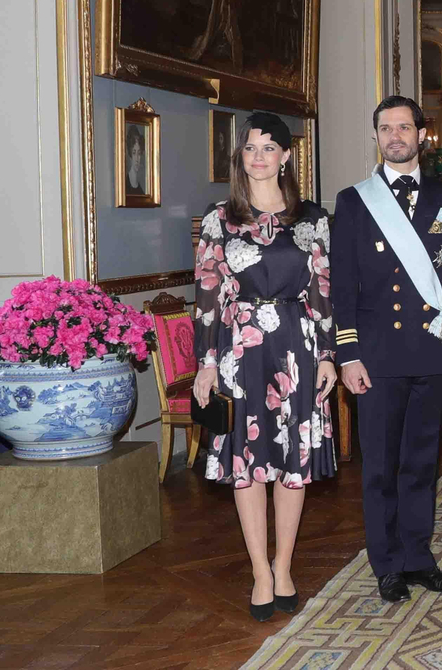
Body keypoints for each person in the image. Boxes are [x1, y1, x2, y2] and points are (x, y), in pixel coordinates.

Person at [331, 95, 442, 605]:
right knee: (379, 468)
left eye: (404, 127)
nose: (395, 136)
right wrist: (347, 355)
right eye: (385, 128)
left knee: (420, 462)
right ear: (376, 136)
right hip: (375, 357)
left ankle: (419, 558)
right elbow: (342, 289)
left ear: (421, 135)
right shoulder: (353, 202)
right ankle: (387, 564)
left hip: (432, 353)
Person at [193, 111, 338, 623]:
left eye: (268, 148)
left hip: (297, 350)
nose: (258, 156)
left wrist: (326, 355)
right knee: (246, 462)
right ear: (242, 156)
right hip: (240, 352)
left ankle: (284, 564)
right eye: (250, 148)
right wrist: (206, 365)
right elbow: (208, 294)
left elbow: (324, 291)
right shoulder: (219, 218)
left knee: (291, 463)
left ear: (286, 155)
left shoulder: (313, 218)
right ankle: (258, 568)